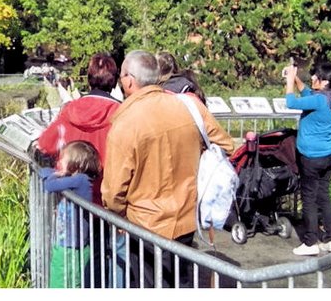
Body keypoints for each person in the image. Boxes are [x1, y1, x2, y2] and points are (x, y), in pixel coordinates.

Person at [102, 50, 239, 286]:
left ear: (129, 80)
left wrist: (118, 214)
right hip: (186, 217)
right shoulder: (188, 106)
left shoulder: (125, 122)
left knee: (148, 283)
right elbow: (226, 144)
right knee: (180, 281)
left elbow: (114, 192)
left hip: (145, 224)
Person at [283, 60, 331, 256]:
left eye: (316, 76)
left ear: (324, 82)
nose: (313, 78)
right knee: (323, 196)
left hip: (311, 157)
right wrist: (297, 78)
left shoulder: (319, 100)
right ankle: (330, 238)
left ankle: (310, 242)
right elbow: (308, 93)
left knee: (309, 199)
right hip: (327, 155)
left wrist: (290, 82)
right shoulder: (330, 97)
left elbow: (291, 102)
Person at [35, 53, 121, 172]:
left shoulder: (70, 109)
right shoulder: (122, 113)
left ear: (89, 79)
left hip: (73, 185)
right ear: (115, 80)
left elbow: (45, 144)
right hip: (107, 184)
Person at [39, 141, 100, 288]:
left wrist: (55, 175)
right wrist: (55, 173)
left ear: (74, 164)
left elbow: (49, 185)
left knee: (67, 281)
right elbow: (45, 174)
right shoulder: (77, 179)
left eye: (63, 160)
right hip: (67, 242)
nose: (59, 163)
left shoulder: (81, 180)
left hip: (72, 245)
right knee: (61, 278)